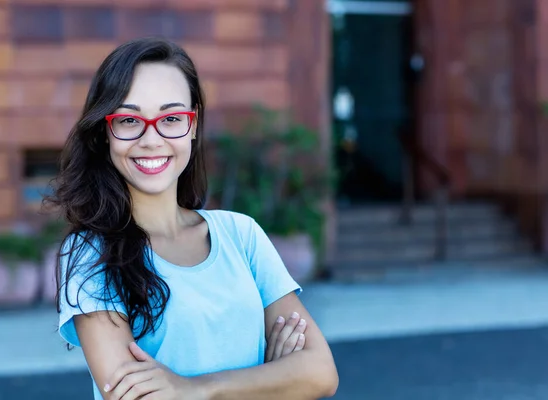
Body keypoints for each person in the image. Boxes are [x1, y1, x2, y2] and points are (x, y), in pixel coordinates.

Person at [47, 37, 338, 400]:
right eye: (128, 119)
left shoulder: (241, 234)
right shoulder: (91, 254)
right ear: (105, 132)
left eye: (171, 118)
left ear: (194, 123)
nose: (151, 139)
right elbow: (134, 396)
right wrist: (271, 380)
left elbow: (321, 372)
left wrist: (195, 390)